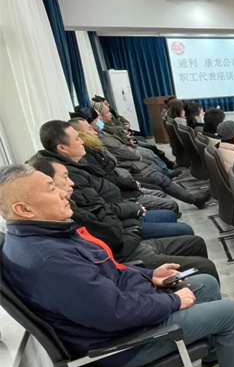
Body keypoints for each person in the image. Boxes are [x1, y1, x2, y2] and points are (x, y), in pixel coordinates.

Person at [0, 164, 234, 367]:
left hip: (127, 316)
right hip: (124, 343)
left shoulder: (47, 238)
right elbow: (114, 312)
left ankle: (213, 354)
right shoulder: (49, 260)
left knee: (206, 283)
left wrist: (151, 276)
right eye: (51, 188)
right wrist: (173, 302)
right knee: (230, 313)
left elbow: (109, 273)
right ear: (24, 209)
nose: (63, 192)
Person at [26, 156, 219, 278]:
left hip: (129, 237)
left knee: (195, 242)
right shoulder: (66, 218)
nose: (71, 183)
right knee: (205, 266)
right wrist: (132, 224)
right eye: (62, 180)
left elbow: (109, 217)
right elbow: (113, 235)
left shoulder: (71, 203)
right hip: (129, 253)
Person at [30, 156, 193, 240]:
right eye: (78, 138)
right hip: (126, 233)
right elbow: (111, 233)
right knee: (183, 228)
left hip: (123, 212)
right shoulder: (68, 202)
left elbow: (103, 207)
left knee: (169, 213)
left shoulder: (79, 166)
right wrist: (133, 216)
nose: (70, 183)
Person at [66, 117, 211, 208]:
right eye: (90, 129)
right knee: (157, 178)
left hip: (124, 175)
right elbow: (108, 175)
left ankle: (192, 198)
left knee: (153, 165)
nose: (94, 130)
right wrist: (131, 183)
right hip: (123, 180)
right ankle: (191, 200)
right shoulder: (88, 152)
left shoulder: (95, 144)